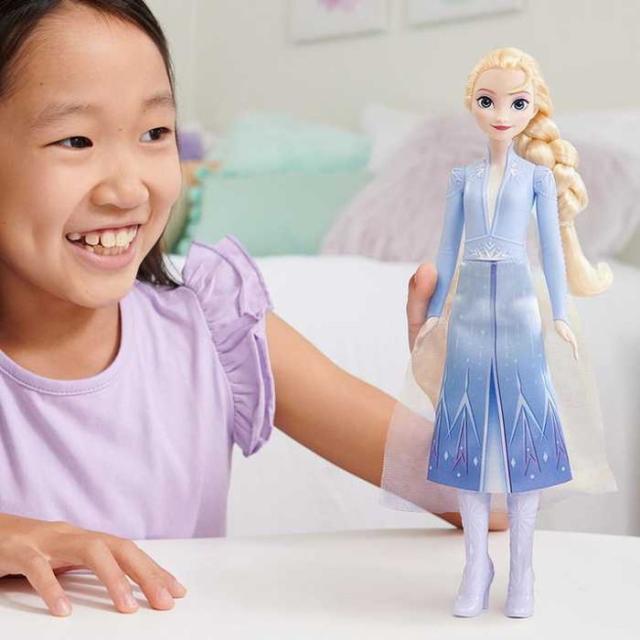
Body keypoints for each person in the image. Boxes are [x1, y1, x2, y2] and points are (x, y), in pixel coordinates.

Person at [0, 0, 508, 619]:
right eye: (76, 140)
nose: (129, 189)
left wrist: (454, 391)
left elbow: (491, 501)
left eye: (155, 133)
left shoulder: (216, 329)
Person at [384, 47, 613, 619]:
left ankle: (524, 568)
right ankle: (474, 565)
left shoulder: (536, 179)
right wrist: (434, 312)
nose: (501, 113)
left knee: (524, 437)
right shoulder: (461, 178)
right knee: (467, 438)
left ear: (532, 107)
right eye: (488, 101)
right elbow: (446, 248)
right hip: (467, 313)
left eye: (516, 102)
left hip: (517, 309)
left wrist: (561, 314)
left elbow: (552, 253)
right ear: (473, 105)